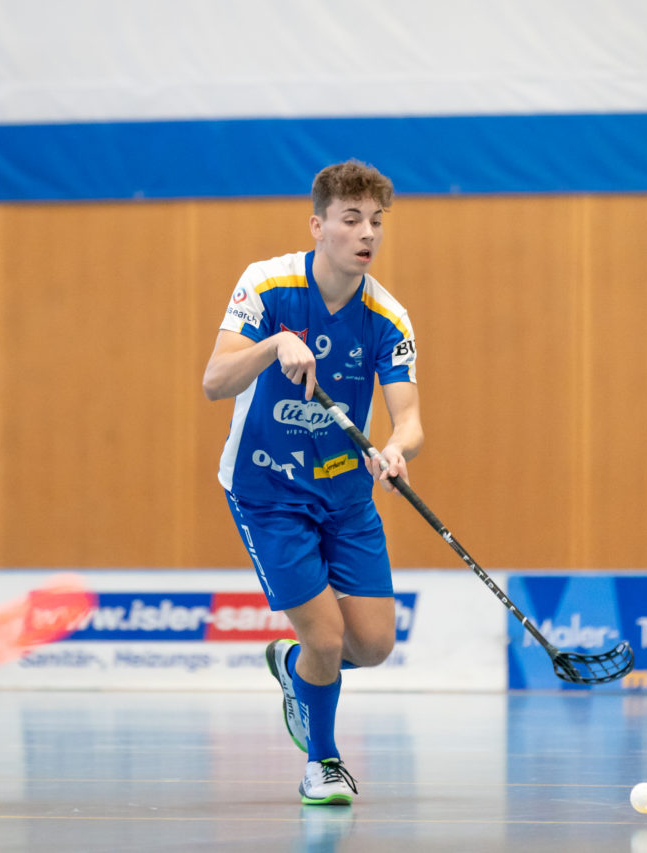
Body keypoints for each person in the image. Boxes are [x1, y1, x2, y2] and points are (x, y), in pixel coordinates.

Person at [202, 160, 422, 802]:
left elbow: (409, 419)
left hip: (346, 497)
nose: (366, 234)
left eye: (376, 222)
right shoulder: (266, 286)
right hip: (267, 493)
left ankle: (295, 667)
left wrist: (393, 449)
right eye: (351, 220)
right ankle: (321, 763)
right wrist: (274, 346)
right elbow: (214, 382)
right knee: (326, 636)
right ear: (318, 224)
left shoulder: (388, 317)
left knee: (374, 644)